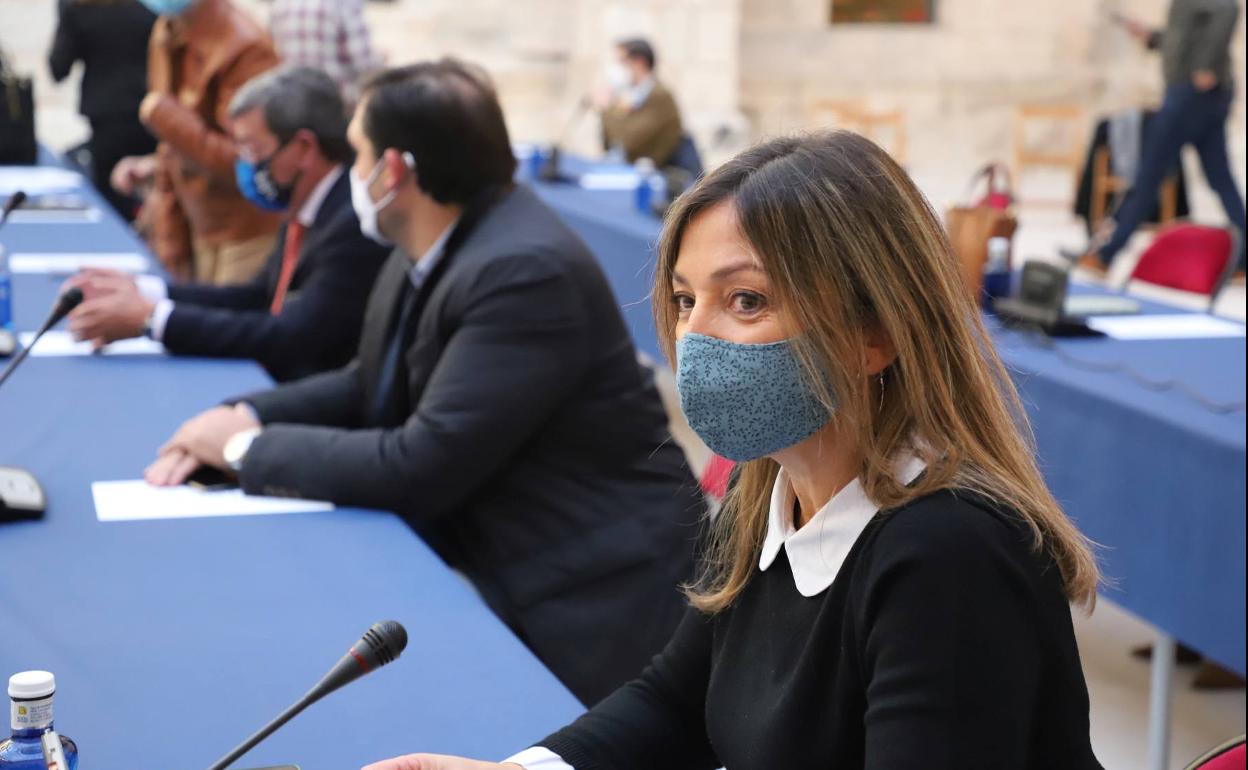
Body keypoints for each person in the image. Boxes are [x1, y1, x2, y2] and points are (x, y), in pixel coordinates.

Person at [363, 131, 1105, 770]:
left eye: (745, 300)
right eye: (686, 300)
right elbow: (676, 700)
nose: (695, 336)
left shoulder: (949, 554)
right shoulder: (770, 492)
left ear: (876, 333)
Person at [143, 59, 703, 707]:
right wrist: (241, 414)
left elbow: (420, 462)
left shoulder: (523, 270)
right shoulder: (430, 236)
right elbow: (368, 382)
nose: (349, 171)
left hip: (597, 597)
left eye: (356, 153)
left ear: (396, 171)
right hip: (519, 564)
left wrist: (243, 451)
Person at [65, 66, 388, 383]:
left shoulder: (350, 224)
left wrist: (152, 320)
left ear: (303, 149)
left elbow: (294, 337)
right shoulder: (306, 205)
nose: (245, 164)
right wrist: (146, 291)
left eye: (252, 149)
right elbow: (258, 295)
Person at [112, 0, 282, 285]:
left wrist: (166, 119)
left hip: (243, 229)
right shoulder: (169, 30)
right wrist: (169, 229)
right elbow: (171, 145)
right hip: (196, 219)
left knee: (225, 320)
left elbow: (250, 163)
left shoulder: (245, 47)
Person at [1080, 0, 1245, 280]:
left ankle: (1107, 255)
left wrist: (1205, 67)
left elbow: (1228, 9)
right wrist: (1152, 37)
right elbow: (1187, 36)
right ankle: (1244, 260)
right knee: (1219, 177)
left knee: (1149, 174)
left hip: (1190, 97)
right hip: (1197, 95)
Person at [48, 0, 157, 221]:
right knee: (151, 198)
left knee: (110, 206)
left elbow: (58, 68)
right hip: (149, 113)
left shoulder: (79, 8)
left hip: (108, 118)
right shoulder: (149, 7)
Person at [269, 0, 383, 106]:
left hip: (295, 103)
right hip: (339, 102)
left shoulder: (281, 4)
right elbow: (363, 62)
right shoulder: (344, 3)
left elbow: (275, 50)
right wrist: (381, 58)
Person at [594, 38, 683, 166]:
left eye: (622, 61)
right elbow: (610, 142)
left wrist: (606, 107)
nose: (618, 68)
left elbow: (626, 141)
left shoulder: (659, 96)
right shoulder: (632, 95)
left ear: (640, 62)